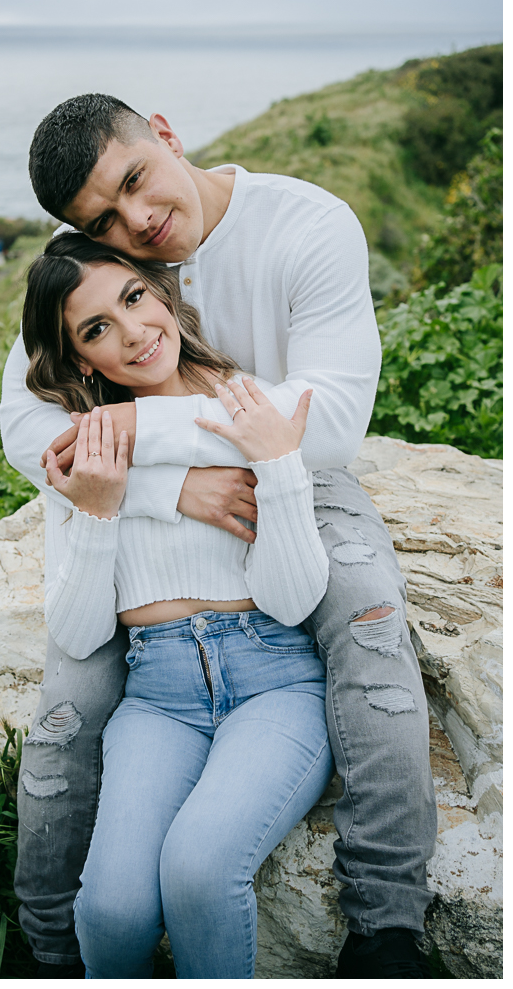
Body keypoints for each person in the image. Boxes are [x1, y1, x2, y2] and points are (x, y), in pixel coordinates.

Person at [0, 94, 436, 979]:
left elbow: (333, 425)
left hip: (298, 476)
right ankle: (48, 952)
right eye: (105, 220)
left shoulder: (305, 222)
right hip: (148, 513)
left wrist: (141, 440)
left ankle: (388, 927)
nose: (139, 221)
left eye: (136, 180)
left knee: (369, 625)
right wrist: (171, 488)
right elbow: (28, 429)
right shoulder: (92, 266)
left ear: (165, 134)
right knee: (63, 707)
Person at [20, 230, 334, 978]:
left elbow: (294, 600)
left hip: (276, 681)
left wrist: (278, 467)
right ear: (79, 359)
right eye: (97, 328)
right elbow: (79, 628)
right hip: (158, 700)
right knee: (110, 909)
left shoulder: (250, 401)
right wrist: (99, 509)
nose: (132, 333)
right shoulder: (85, 451)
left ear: (163, 293)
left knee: (198, 870)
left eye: (134, 298)